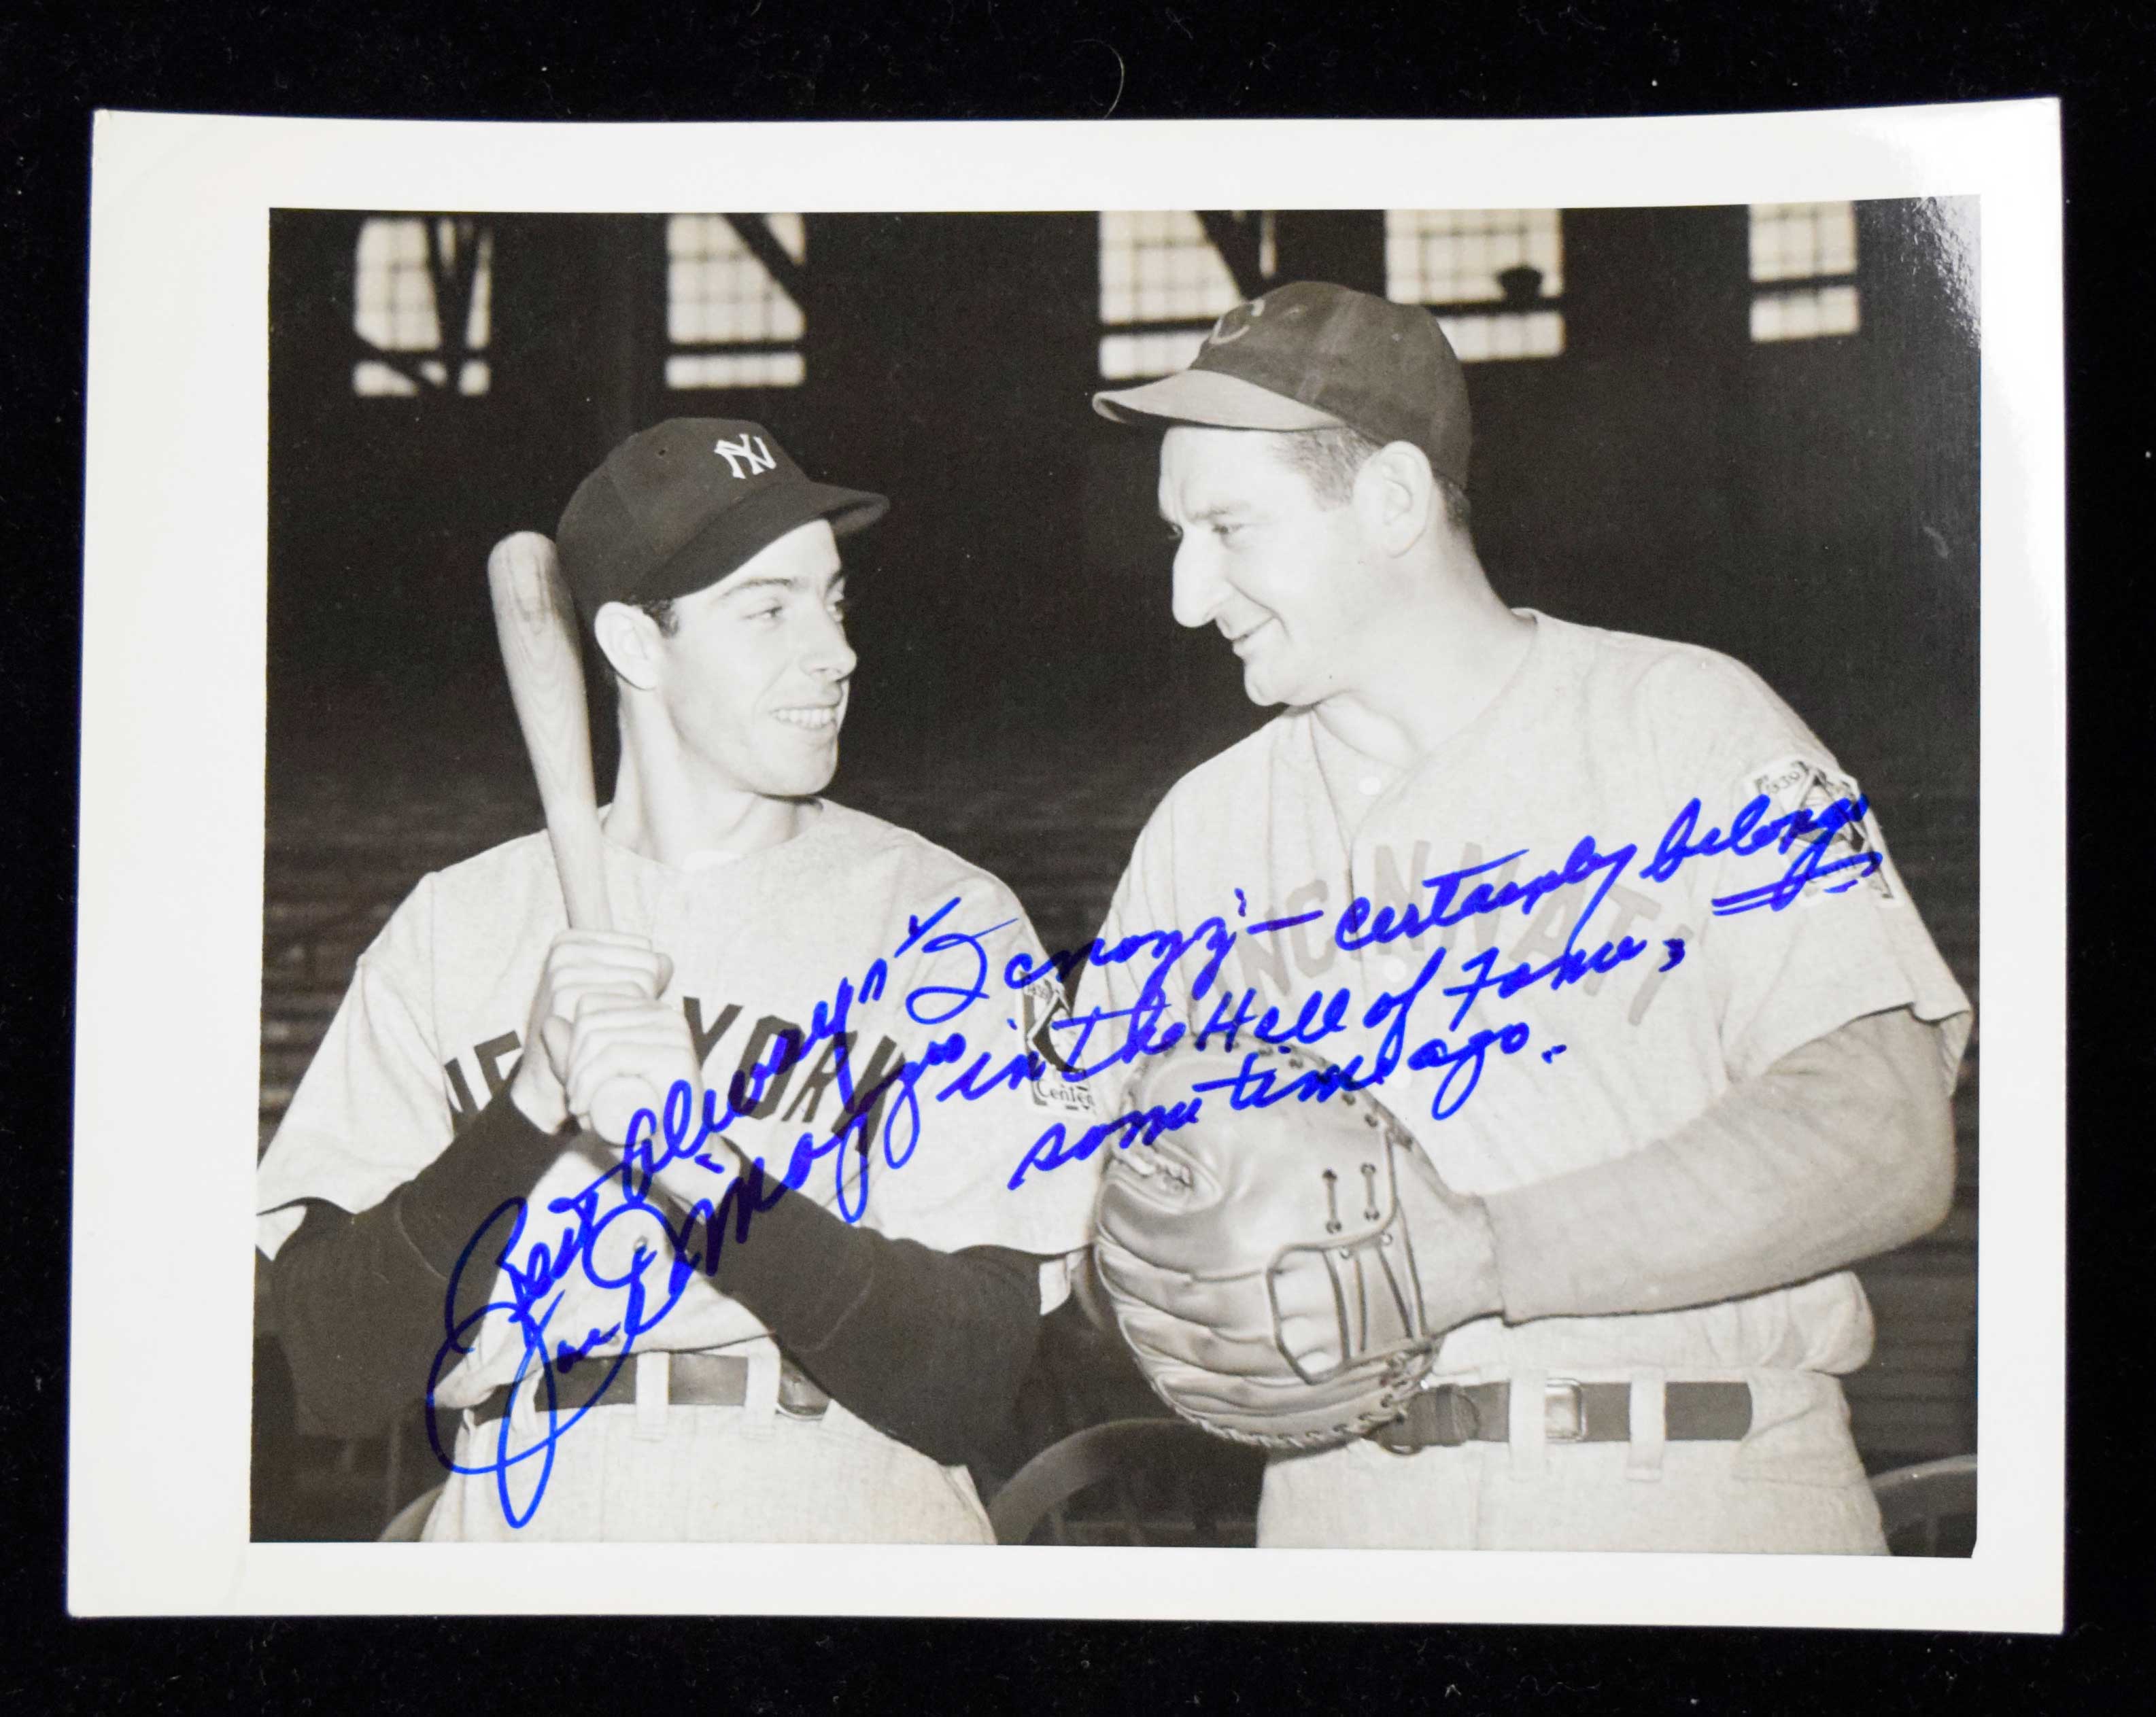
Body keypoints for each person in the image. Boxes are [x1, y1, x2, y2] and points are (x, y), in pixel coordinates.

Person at [1070, 282, 1971, 1553]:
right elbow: (1088, 1211)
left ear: (1392, 500)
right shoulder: (1202, 828)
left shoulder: (1687, 723)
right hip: (1339, 1520)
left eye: (1228, 528)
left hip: (1695, 1497)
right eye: (1178, 534)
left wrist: (1476, 1256)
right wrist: (1160, 1278)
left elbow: (1884, 1132)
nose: (1185, 592)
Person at [256, 419, 1097, 1542]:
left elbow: (971, 1372)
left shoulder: (948, 917)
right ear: (635, 645)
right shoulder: (456, 925)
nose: (836, 653)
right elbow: (334, 1368)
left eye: (833, 601)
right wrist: (528, 1111)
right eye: (769, 610)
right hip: (522, 1510)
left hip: (841, 1502)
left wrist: (701, 1166)